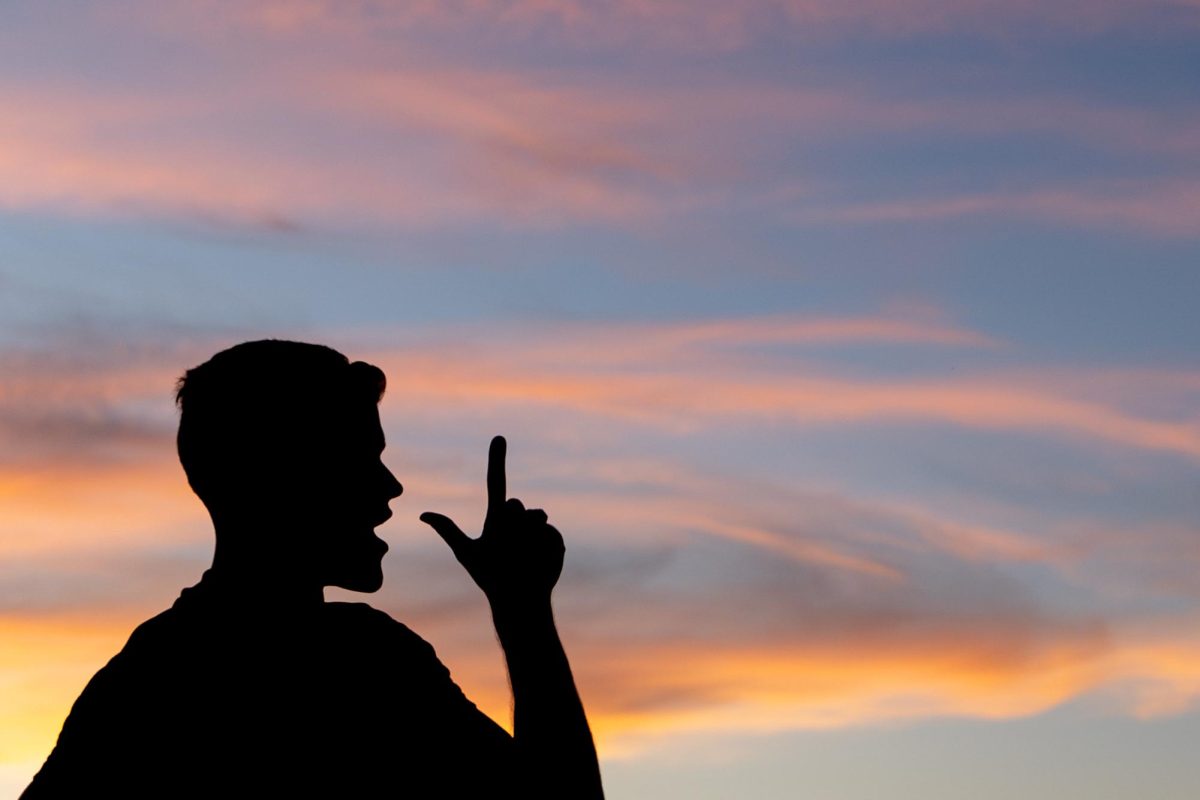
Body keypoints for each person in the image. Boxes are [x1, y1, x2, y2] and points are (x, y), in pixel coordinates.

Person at [22, 339, 604, 799]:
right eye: (361, 459)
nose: (391, 486)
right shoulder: (370, 665)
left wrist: (520, 604)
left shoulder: (147, 677)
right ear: (285, 474)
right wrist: (523, 612)